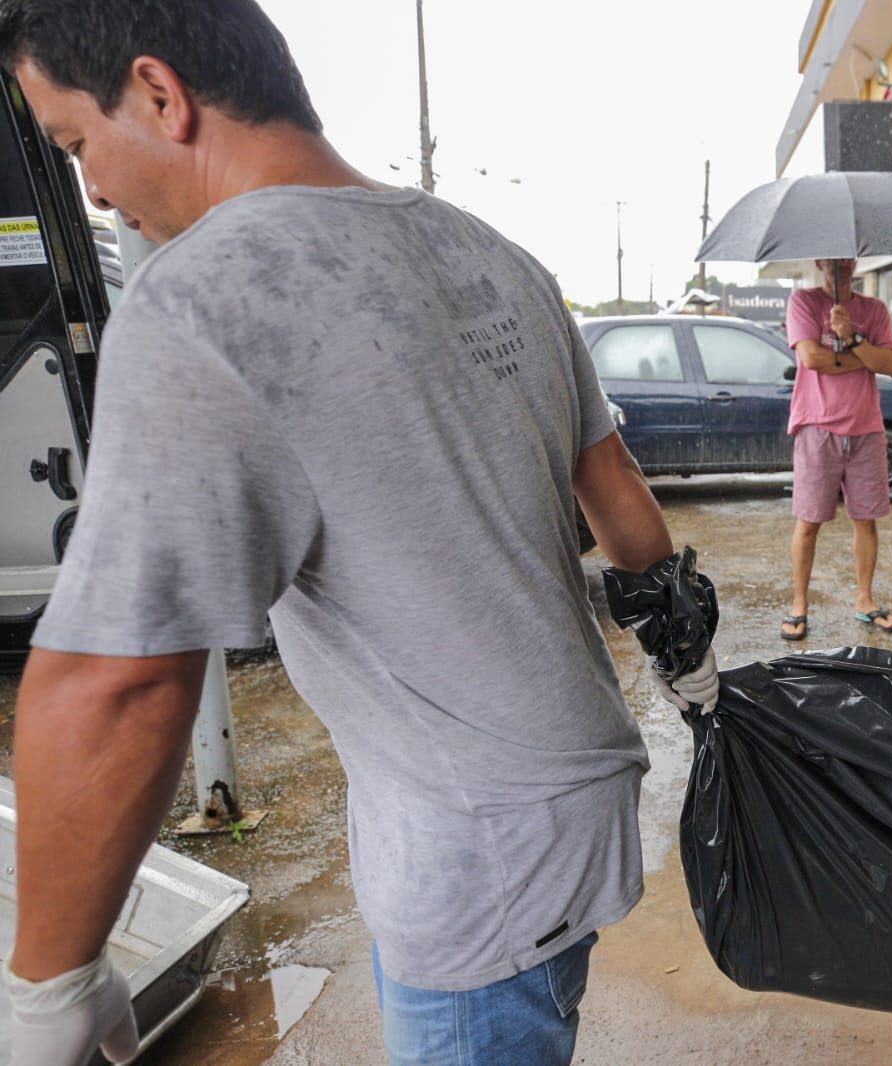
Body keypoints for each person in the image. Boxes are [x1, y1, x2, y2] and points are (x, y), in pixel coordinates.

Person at [0, 3, 719, 1064]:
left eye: (74, 145)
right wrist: (696, 678)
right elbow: (618, 497)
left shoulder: (204, 295)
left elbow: (123, 678)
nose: (94, 188)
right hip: (578, 787)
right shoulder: (497, 255)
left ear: (160, 93)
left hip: (473, 855)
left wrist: (46, 986)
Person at [781, 257, 892, 641]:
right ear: (820, 262)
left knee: (866, 519)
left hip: (867, 428)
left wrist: (851, 337)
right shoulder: (804, 302)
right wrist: (864, 357)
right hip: (817, 426)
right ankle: (800, 603)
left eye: (847, 258)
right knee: (809, 520)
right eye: (832, 259)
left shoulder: (874, 310)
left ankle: (865, 600)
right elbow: (811, 358)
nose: (840, 265)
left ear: (855, 261)